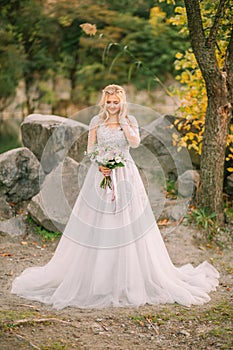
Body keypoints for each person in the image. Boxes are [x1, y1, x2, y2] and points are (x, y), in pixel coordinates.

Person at [11, 84, 219, 309]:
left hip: (126, 174)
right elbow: (91, 149)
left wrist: (123, 123)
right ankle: (95, 276)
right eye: (109, 102)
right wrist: (101, 164)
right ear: (104, 102)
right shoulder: (96, 122)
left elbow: (135, 143)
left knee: (127, 219)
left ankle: (128, 277)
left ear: (122, 103)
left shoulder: (130, 121)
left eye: (116, 102)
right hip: (101, 173)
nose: (112, 106)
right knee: (97, 218)